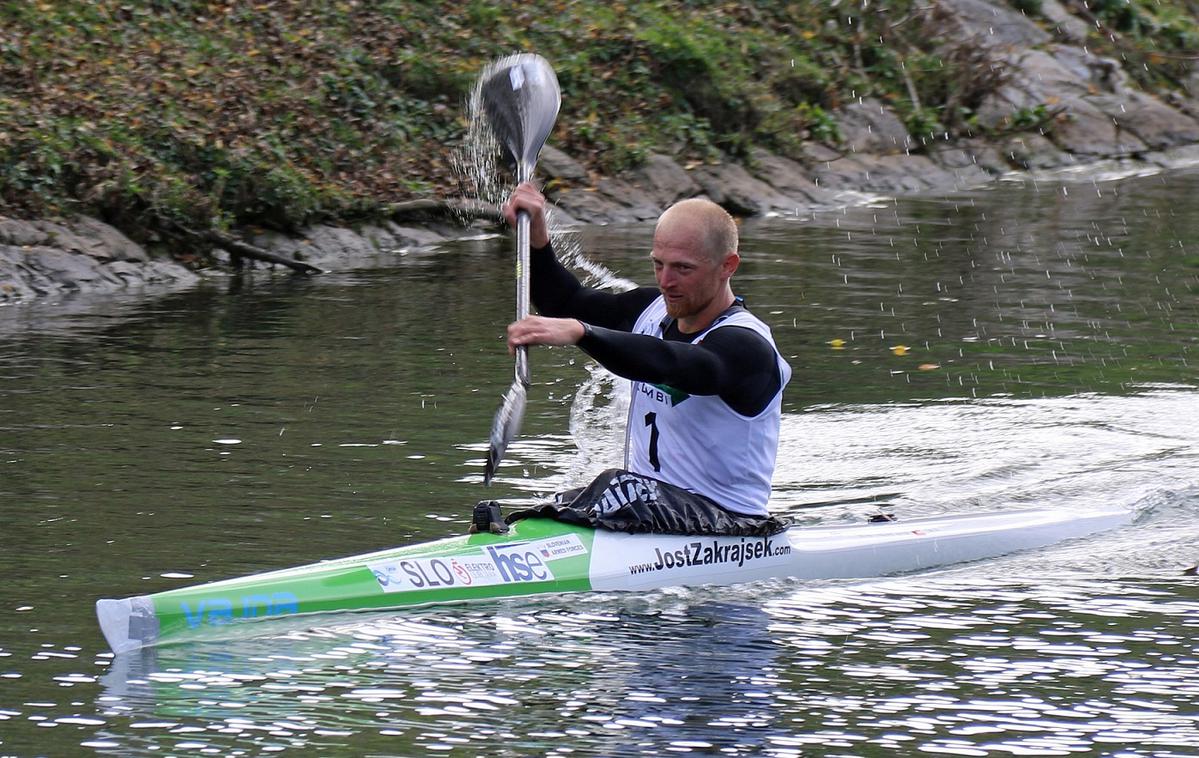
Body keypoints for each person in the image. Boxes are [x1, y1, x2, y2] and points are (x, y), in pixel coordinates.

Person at [501, 183, 792, 520]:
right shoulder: (650, 311)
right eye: (658, 264)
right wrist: (537, 238)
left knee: (615, 485)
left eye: (683, 268)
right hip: (649, 509)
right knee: (561, 502)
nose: (666, 281)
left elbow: (671, 362)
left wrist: (583, 333)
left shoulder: (747, 347)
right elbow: (565, 301)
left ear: (728, 265)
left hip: (728, 521)